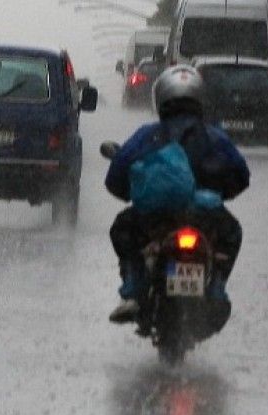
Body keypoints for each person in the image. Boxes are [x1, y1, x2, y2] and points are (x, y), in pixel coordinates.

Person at [105, 65, 250, 324]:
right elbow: (241, 175)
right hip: (204, 217)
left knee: (122, 230)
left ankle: (133, 291)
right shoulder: (214, 137)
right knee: (233, 233)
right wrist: (218, 192)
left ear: (161, 98)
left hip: (154, 218)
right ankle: (216, 288)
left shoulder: (148, 135)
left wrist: (134, 191)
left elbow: (116, 177)